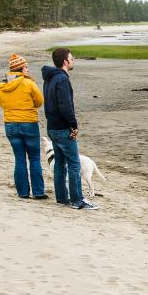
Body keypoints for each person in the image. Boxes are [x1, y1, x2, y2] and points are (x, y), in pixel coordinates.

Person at [42, 47, 98, 210]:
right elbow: (65, 106)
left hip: (52, 126)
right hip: (61, 127)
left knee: (60, 162)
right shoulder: (61, 79)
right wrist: (73, 124)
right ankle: (77, 200)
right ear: (65, 62)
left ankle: (61, 197)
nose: (73, 61)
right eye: (72, 59)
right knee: (73, 163)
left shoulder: (49, 78)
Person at [0, 53, 47, 200]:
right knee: (35, 158)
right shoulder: (28, 83)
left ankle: (23, 192)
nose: (27, 69)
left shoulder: (1, 85)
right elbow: (39, 102)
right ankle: (38, 192)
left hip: (10, 124)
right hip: (28, 123)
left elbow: (2, 104)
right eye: (26, 67)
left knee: (19, 158)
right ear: (20, 68)